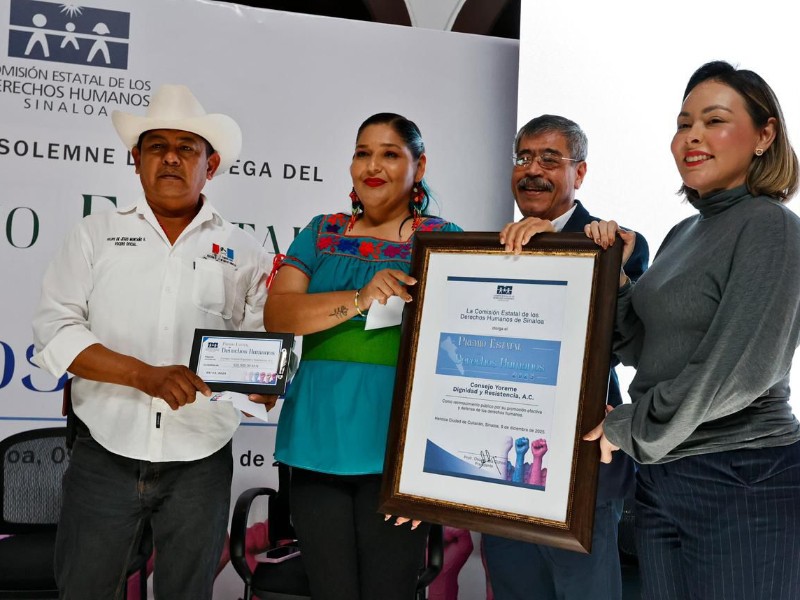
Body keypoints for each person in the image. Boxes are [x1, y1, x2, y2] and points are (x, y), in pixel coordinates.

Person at [32, 84, 274, 600]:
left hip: (201, 457)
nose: (170, 157)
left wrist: (263, 386)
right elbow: (56, 329)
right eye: (156, 146)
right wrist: (145, 376)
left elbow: (259, 344)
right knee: (84, 590)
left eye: (187, 147)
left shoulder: (245, 250)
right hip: (104, 451)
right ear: (135, 160)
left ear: (211, 165)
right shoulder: (93, 234)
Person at [583, 61, 800, 600]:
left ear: (764, 135)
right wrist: (615, 276)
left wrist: (626, 425)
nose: (692, 136)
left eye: (714, 120)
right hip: (662, 477)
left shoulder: (771, 226)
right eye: (684, 124)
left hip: (743, 476)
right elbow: (645, 347)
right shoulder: (684, 231)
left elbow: (740, 370)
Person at [264, 112, 461, 600]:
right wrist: (359, 298)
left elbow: (460, 352)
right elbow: (279, 315)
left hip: (398, 452)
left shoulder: (445, 240)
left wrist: (426, 474)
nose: (373, 166)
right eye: (362, 153)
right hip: (316, 439)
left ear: (419, 166)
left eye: (390, 154)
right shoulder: (321, 232)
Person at [482, 114, 649, 600]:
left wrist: (556, 250)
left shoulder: (615, 245)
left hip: (582, 469)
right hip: (501, 466)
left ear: (580, 172)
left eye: (550, 159)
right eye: (523, 158)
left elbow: (627, 344)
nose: (533, 170)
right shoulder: (488, 249)